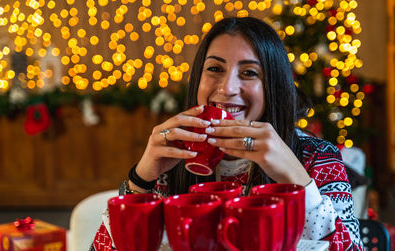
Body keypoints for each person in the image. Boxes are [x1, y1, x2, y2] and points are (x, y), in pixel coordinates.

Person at [91, 17, 364, 250]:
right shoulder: (172, 157)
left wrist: (299, 181)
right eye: (214, 69)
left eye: (248, 72)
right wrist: (141, 180)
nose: (227, 88)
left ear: (274, 86)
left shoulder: (316, 156)